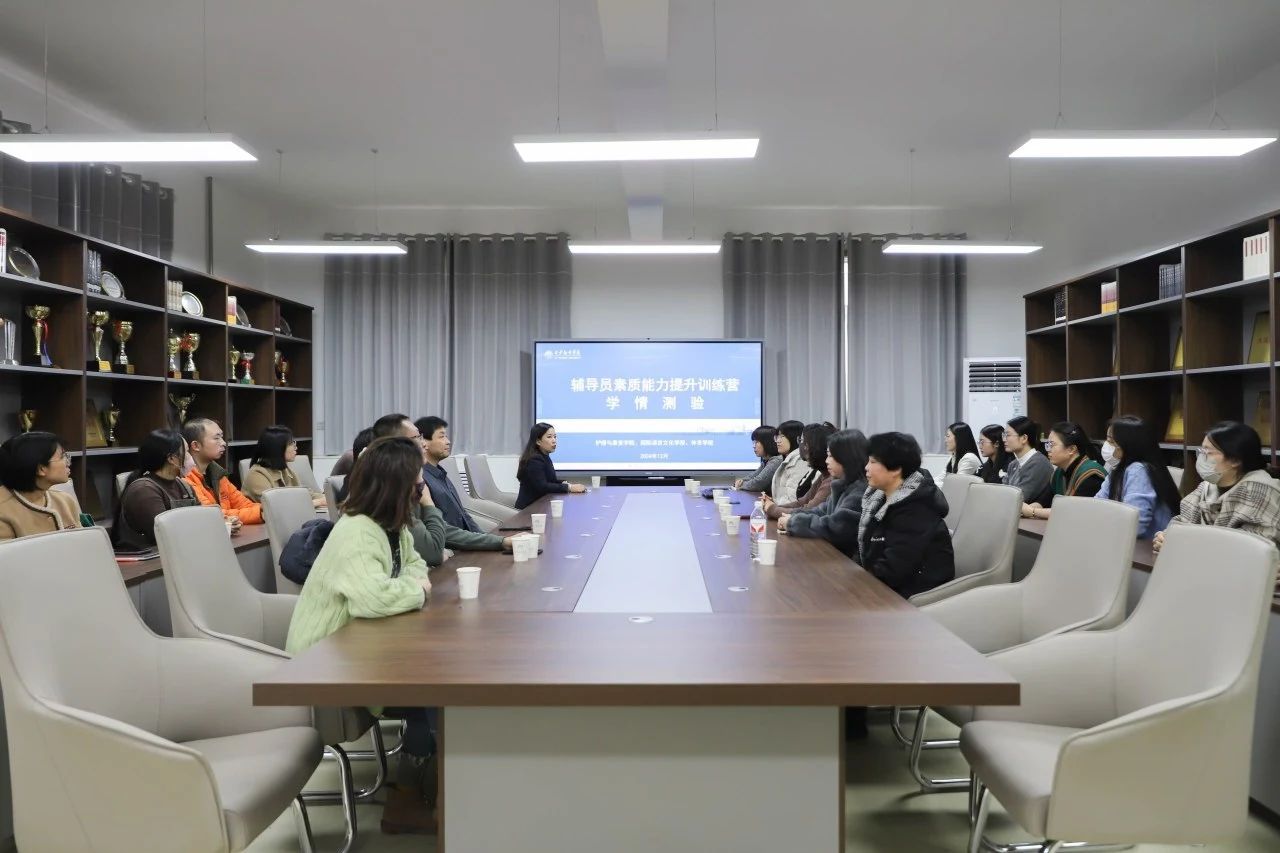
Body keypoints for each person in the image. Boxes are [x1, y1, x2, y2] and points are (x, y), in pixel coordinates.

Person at [284, 436, 437, 834]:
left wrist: (410, 585)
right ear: (396, 486)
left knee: (435, 691)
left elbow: (417, 565)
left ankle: (424, 783)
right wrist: (416, 591)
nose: (422, 488)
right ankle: (405, 800)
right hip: (326, 663)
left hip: (358, 648)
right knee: (433, 699)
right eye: (417, 480)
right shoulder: (358, 532)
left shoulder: (391, 527)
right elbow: (373, 599)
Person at [1154, 421, 1280, 556]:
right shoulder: (1208, 486)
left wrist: (1186, 543)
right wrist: (1166, 537)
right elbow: (1182, 523)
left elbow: (1251, 550)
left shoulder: (1258, 491)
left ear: (1235, 460)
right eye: (1201, 451)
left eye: (1208, 452)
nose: (1202, 457)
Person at [856, 431, 955, 598]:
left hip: (915, 597)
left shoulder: (916, 510)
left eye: (872, 462)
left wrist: (855, 582)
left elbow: (893, 569)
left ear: (895, 469)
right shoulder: (880, 499)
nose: (866, 467)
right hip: (886, 587)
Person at [778, 429, 869, 559]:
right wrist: (791, 516)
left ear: (847, 458)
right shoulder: (842, 485)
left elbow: (835, 528)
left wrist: (792, 523)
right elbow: (820, 511)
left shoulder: (859, 492)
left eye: (831, 456)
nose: (827, 461)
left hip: (848, 563)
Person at [1095, 415, 1180, 540]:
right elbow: (1096, 506)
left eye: (1111, 441)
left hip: (1148, 547)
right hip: (1124, 541)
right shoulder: (1118, 470)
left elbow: (1135, 525)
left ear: (1127, 444)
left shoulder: (1138, 470)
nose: (1106, 445)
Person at [114, 429, 200, 550]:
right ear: (172, 459)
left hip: (182, 550)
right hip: (153, 557)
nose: (191, 457)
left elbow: (201, 521)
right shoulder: (144, 490)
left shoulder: (184, 485)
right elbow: (165, 534)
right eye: (186, 452)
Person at [0, 431, 81, 540]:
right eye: (62, 457)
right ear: (41, 469)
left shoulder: (65, 500)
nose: (68, 462)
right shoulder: (3, 509)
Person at [182, 419, 262, 526]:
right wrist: (261, 513)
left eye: (222, 437)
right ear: (196, 446)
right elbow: (212, 515)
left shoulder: (218, 474)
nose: (223, 443)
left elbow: (244, 504)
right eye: (216, 438)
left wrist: (263, 510)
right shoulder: (186, 478)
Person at [1022, 421, 1106, 520]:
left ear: (1071, 449)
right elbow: (1043, 501)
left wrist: (1032, 511)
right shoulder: (1059, 472)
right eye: (1047, 444)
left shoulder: (1091, 474)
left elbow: (1071, 511)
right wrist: (1025, 509)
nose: (1048, 449)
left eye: (1052, 445)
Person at [416, 415, 484, 533]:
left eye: (446, 436)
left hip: (464, 538)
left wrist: (487, 538)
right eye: (442, 436)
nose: (448, 442)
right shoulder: (421, 479)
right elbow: (441, 528)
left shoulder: (440, 473)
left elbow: (462, 514)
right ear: (424, 442)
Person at [764, 422, 836, 519]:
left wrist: (772, 508)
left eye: (802, 441)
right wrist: (773, 506)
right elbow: (802, 502)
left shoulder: (832, 479)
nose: (801, 446)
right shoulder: (824, 475)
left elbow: (808, 511)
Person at [243, 425, 325, 507]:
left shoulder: (284, 470)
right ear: (277, 448)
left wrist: (328, 498)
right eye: (291, 443)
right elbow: (278, 506)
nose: (296, 447)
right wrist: (318, 502)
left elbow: (306, 494)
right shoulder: (256, 476)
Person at [515, 422, 585, 510]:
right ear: (538, 441)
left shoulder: (544, 456)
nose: (554, 440)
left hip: (541, 506)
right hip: (528, 510)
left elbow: (550, 481)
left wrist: (565, 483)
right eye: (549, 437)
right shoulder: (534, 459)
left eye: (555, 437)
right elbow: (542, 486)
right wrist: (569, 488)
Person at [1002, 416, 1053, 505]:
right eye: (1004, 435)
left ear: (1024, 438)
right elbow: (1002, 491)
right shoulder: (1013, 464)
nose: (1004, 439)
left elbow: (1020, 497)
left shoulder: (1039, 463)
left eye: (1008, 435)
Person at [769, 420, 808, 505]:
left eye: (782, 436)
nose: (778, 441)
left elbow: (793, 499)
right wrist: (772, 501)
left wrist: (772, 506)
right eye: (777, 437)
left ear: (795, 438)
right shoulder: (788, 459)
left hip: (788, 511)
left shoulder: (800, 461)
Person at [734, 425, 783, 493]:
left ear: (767, 443)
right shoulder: (766, 460)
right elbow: (752, 476)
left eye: (757, 442)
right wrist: (741, 480)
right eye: (753, 442)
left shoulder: (776, 461)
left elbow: (757, 484)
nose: (754, 446)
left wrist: (741, 485)